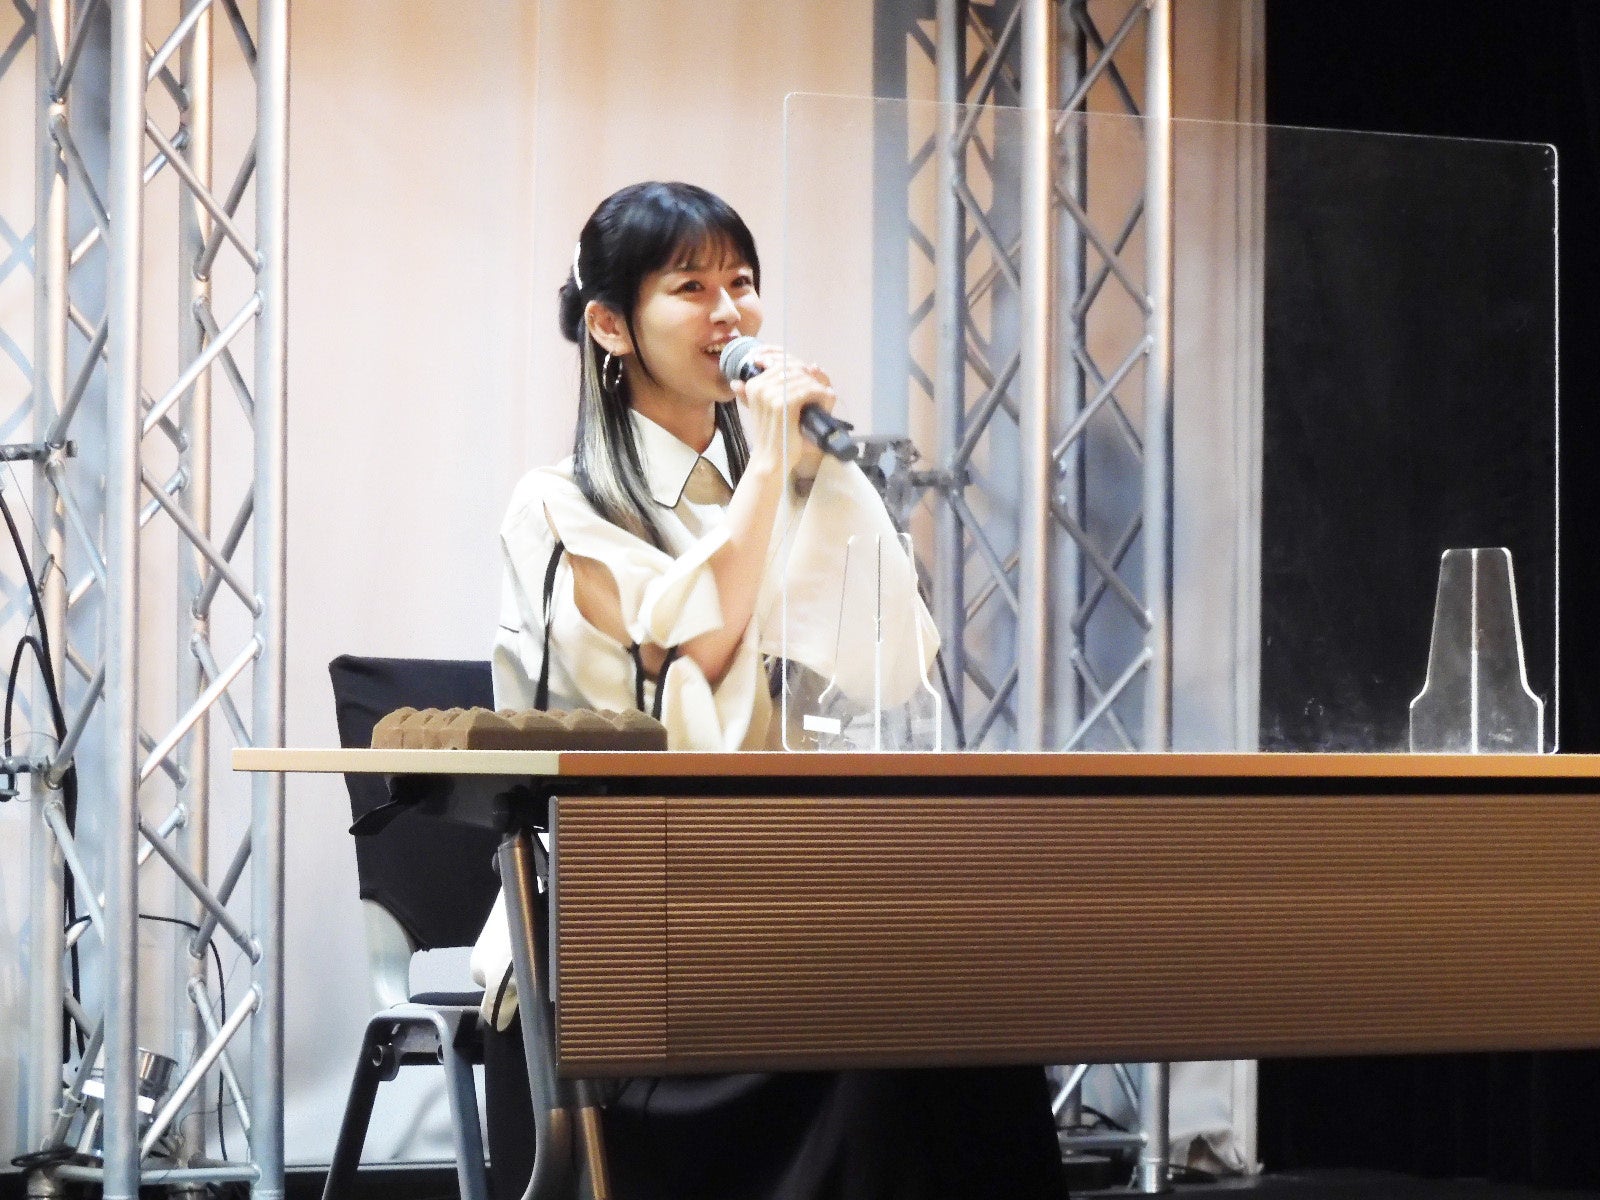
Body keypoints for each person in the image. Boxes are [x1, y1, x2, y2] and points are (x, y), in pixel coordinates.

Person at [474, 181, 1068, 1200]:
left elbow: (890, 669)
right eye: (690, 287)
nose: (730, 313)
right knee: (880, 1039)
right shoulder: (557, 504)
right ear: (610, 326)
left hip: (795, 897)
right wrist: (765, 482)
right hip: (628, 930)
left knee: (967, 1003)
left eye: (742, 283)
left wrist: (820, 473)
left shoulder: (790, 471)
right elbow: (680, 675)